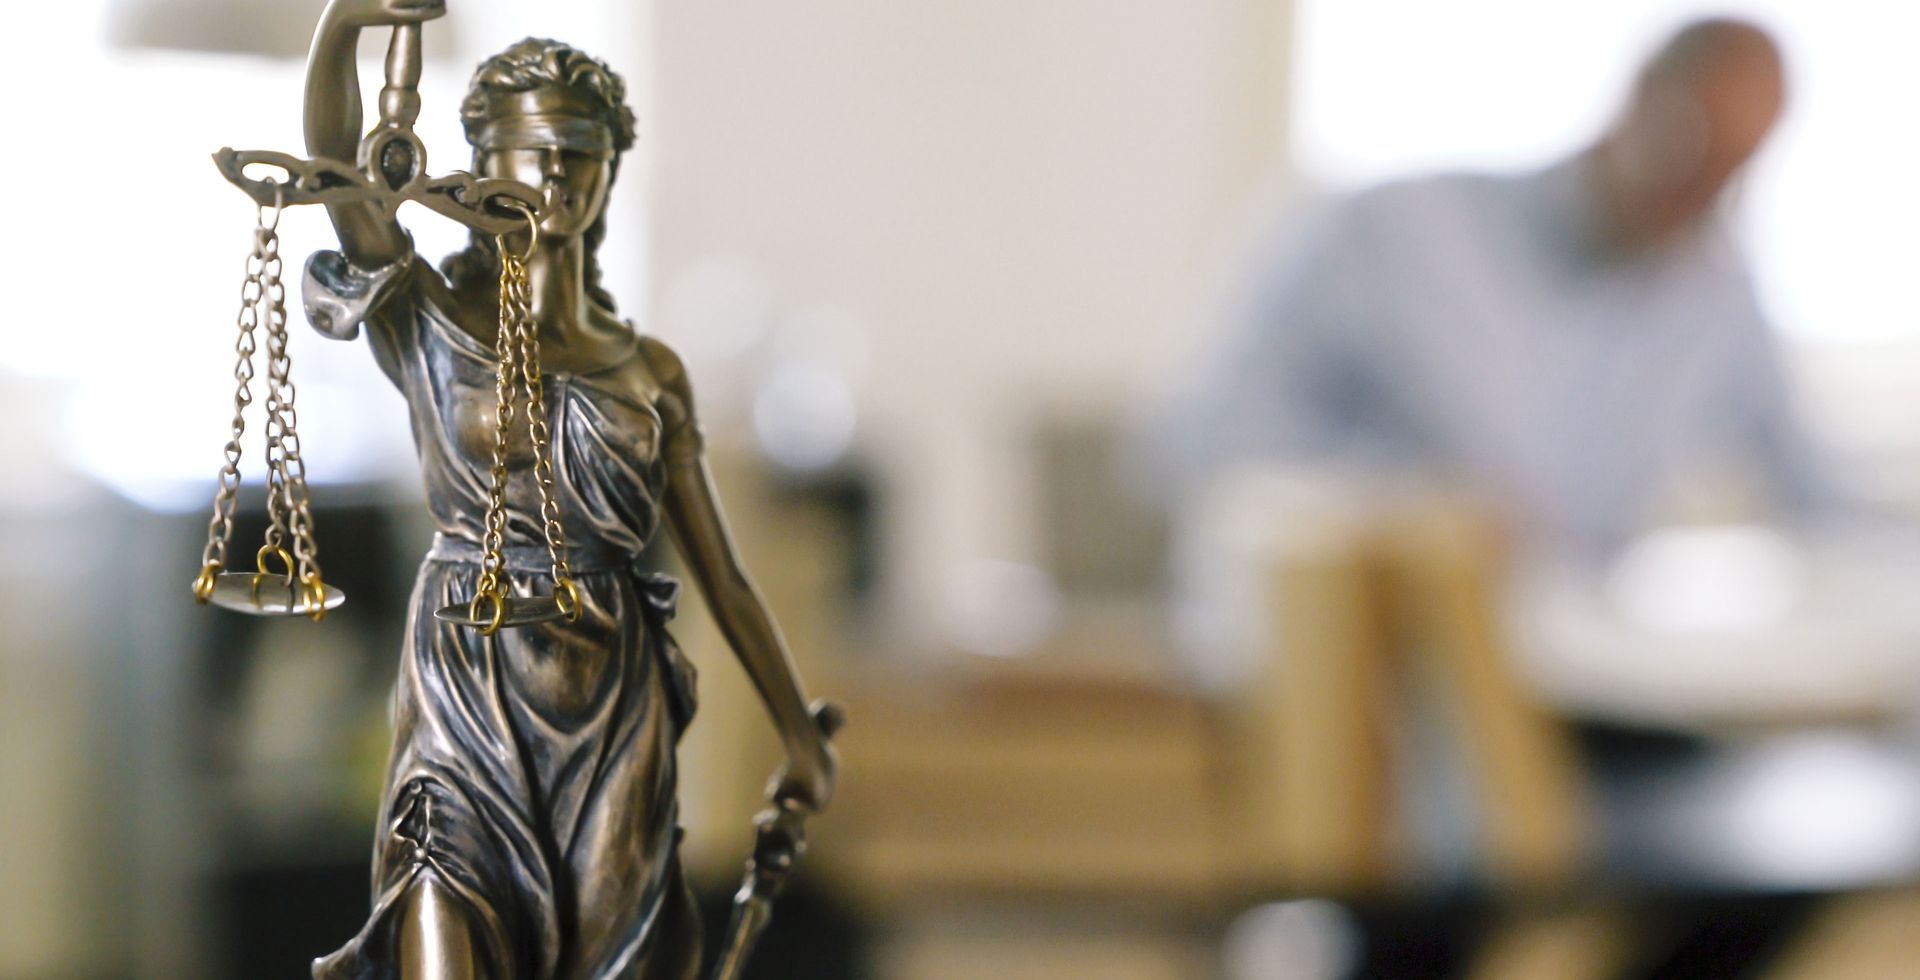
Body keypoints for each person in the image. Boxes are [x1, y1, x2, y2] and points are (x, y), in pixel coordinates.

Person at [297, 1, 836, 977]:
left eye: (579, 153)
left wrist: (801, 736)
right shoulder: (426, 316)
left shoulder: (649, 370)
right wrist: (344, 24)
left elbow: (727, 581)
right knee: (437, 910)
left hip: (610, 704)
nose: (556, 174)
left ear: (610, 171)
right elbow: (337, 156)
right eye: (530, 149)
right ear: (482, 162)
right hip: (464, 680)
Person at [1157, 18, 1823, 560]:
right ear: (1640, 93)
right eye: (1691, 144)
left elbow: (1817, 491)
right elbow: (1195, 448)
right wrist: (1405, 509)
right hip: (1366, 660)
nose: (1693, 194)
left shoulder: (1718, 295)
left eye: (1728, 175)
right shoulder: (1394, 231)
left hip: (1581, 681)